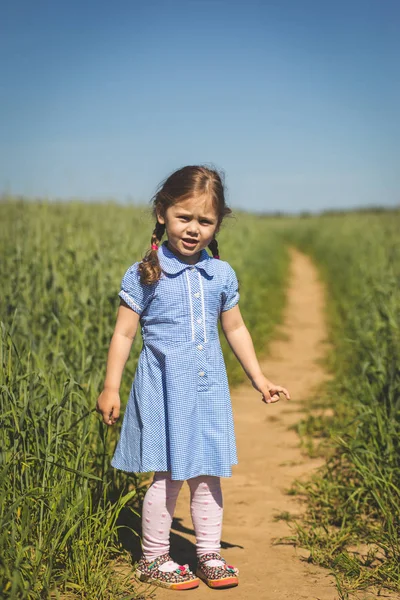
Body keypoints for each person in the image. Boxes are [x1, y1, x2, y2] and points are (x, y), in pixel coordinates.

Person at [96, 165, 290, 590]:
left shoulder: (220, 274)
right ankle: (153, 558)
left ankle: (208, 554)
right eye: (184, 217)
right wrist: (111, 386)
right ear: (162, 213)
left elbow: (235, 328)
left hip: (208, 390)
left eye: (205, 221)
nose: (193, 229)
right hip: (163, 389)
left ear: (218, 223)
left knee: (208, 472)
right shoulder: (146, 272)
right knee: (167, 475)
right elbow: (124, 332)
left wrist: (259, 378)